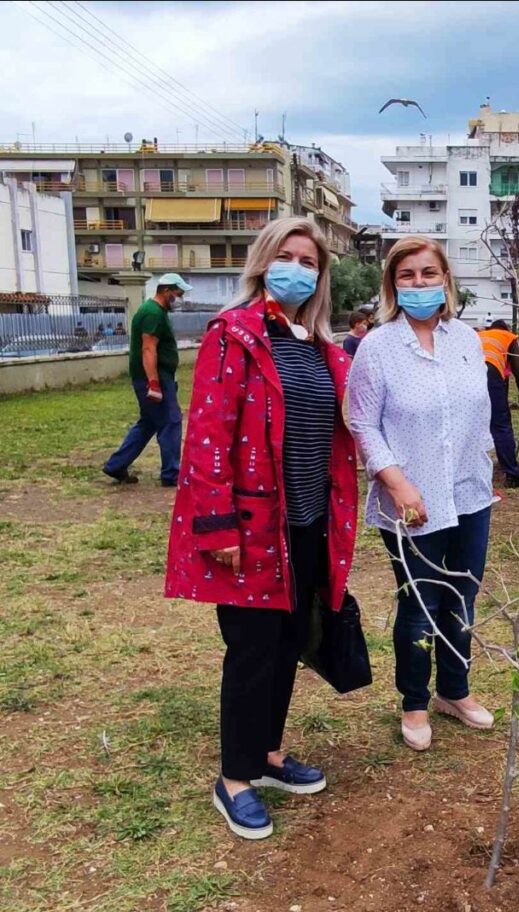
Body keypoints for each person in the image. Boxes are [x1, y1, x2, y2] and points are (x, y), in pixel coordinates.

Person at [164, 218, 359, 840]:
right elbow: (209, 434)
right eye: (287, 255)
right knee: (250, 650)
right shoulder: (234, 335)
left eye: (310, 260)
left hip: (307, 523)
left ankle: (269, 754)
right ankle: (235, 779)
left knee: (288, 642)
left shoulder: (318, 346)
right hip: (251, 527)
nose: (299, 268)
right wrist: (217, 522)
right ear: (262, 262)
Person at [348, 236, 494, 753]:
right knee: (420, 602)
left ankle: (454, 691)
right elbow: (361, 421)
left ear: (445, 280)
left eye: (428, 273)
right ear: (392, 284)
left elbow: (478, 409)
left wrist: (486, 458)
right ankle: (414, 700)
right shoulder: (378, 346)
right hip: (411, 496)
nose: (418, 283)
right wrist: (396, 481)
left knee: (463, 594)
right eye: (406, 275)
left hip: (470, 492)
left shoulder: (467, 340)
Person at [102, 274, 191, 487]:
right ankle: (171, 473)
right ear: (167, 290)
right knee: (171, 421)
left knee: (149, 423)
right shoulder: (153, 313)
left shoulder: (155, 311)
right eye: (178, 294)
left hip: (155, 376)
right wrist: (154, 382)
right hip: (154, 378)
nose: (180, 298)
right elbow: (148, 348)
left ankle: (116, 465)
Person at [478, 319, 519, 487]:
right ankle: (513, 476)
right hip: (489, 373)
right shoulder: (508, 337)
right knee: (500, 425)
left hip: (465, 375)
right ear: (506, 328)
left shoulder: (479, 335)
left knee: (470, 424)